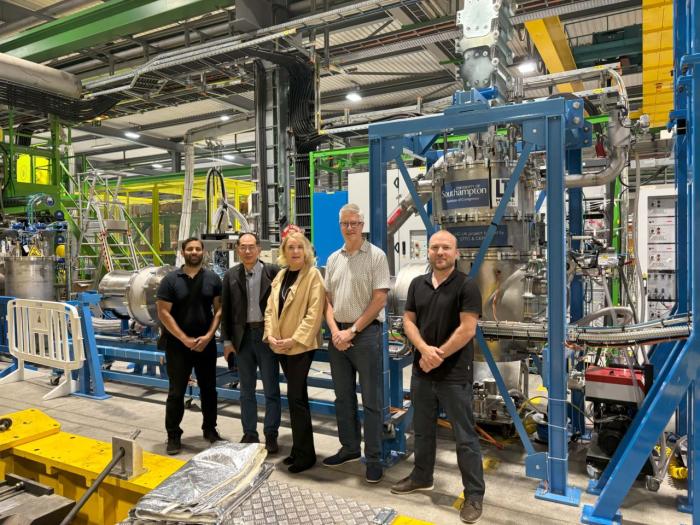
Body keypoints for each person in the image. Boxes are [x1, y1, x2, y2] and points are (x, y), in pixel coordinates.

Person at [390, 230, 485, 524]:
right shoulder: (418, 284)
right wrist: (422, 350)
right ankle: (422, 476)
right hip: (422, 371)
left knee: (464, 437)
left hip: (454, 375)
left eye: (446, 248)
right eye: (435, 248)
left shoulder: (467, 286)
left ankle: (473, 494)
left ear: (456, 253)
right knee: (422, 429)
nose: (440, 252)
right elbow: (408, 320)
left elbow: (468, 329)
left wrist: (438, 354)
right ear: (428, 252)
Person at [323, 203, 391, 483]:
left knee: (372, 401)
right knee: (343, 397)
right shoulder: (333, 259)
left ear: (362, 225)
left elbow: (380, 299)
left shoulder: (376, 257)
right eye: (345, 223)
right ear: (340, 226)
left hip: (365, 335)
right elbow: (326, 301)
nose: (349, 228)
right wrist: (334, 331)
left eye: (354, 223)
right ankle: (349, 447)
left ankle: (373, 457)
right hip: (337, 336)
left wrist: (351, 331)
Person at [263, 231, 325, 473]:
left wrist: (294, 340)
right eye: (291, 248)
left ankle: (306, 455)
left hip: (299, 347)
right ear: (284, 252)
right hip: (280, 345)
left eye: (299, 247)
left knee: (297, 399)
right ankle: (298, 449)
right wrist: (270, 336)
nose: (295, 251)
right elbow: (270, 309)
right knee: (293, 399)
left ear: (306, 250)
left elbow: (313, 314)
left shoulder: (313, 276)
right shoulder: (281, 275)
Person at [156, 237, 223, 455]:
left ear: (203, 252)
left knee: (209, 389)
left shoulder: (212, 279)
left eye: (198, 249)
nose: (194, 252)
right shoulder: (170, 280)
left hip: (206, 344)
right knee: (176, 392)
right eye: (190, 249)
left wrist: (209, 336)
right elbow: (163, 312)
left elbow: (219, 310)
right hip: (177, 346)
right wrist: (184, 338)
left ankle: (210, 429)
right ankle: (173, 435)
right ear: (183, 251)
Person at [221, 232, 281, 453]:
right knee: (246, 390)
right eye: (243, 247)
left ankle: (271, 434)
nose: (247, 251)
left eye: (251, 247)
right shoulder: (230, 276)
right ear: (238, 250)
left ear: (258, 248)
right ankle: (250, 433)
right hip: (242, 339)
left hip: (267, 338)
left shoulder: (273, 272)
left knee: (271, 389)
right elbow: (225, 311)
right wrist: (227, 341)